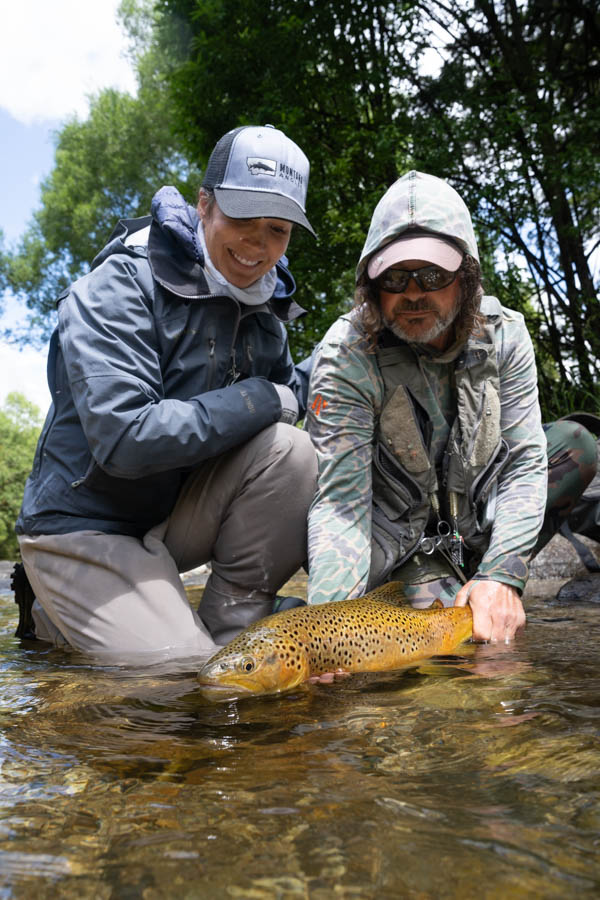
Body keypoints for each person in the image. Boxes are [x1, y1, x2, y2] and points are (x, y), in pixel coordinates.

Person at [15, 124, 318, 661]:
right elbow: (125, 439)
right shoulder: (119, 284)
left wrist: (356, 345)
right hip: (85, 526)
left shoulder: (265, 314)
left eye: (278, 229)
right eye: (243, 218)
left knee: (292, 452)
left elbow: (293, 395)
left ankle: (231, 628)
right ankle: (50, 605)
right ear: (204, 205)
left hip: (172, 518)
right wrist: (265, 399)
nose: (258, 244)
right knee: (176, 675)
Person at [305, 170, 597, 643]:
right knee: (446, 639)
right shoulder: (346, 356)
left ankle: (485, 573)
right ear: (372, 284)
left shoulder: (505, 335)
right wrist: (328, 628)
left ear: (466, 280)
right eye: (395, 277)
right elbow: (341, 503)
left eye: (434, 274)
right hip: (398, 541)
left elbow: (524, 464)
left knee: (576, 444)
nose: (414, 291)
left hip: (477, 524)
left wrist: (503, 575)